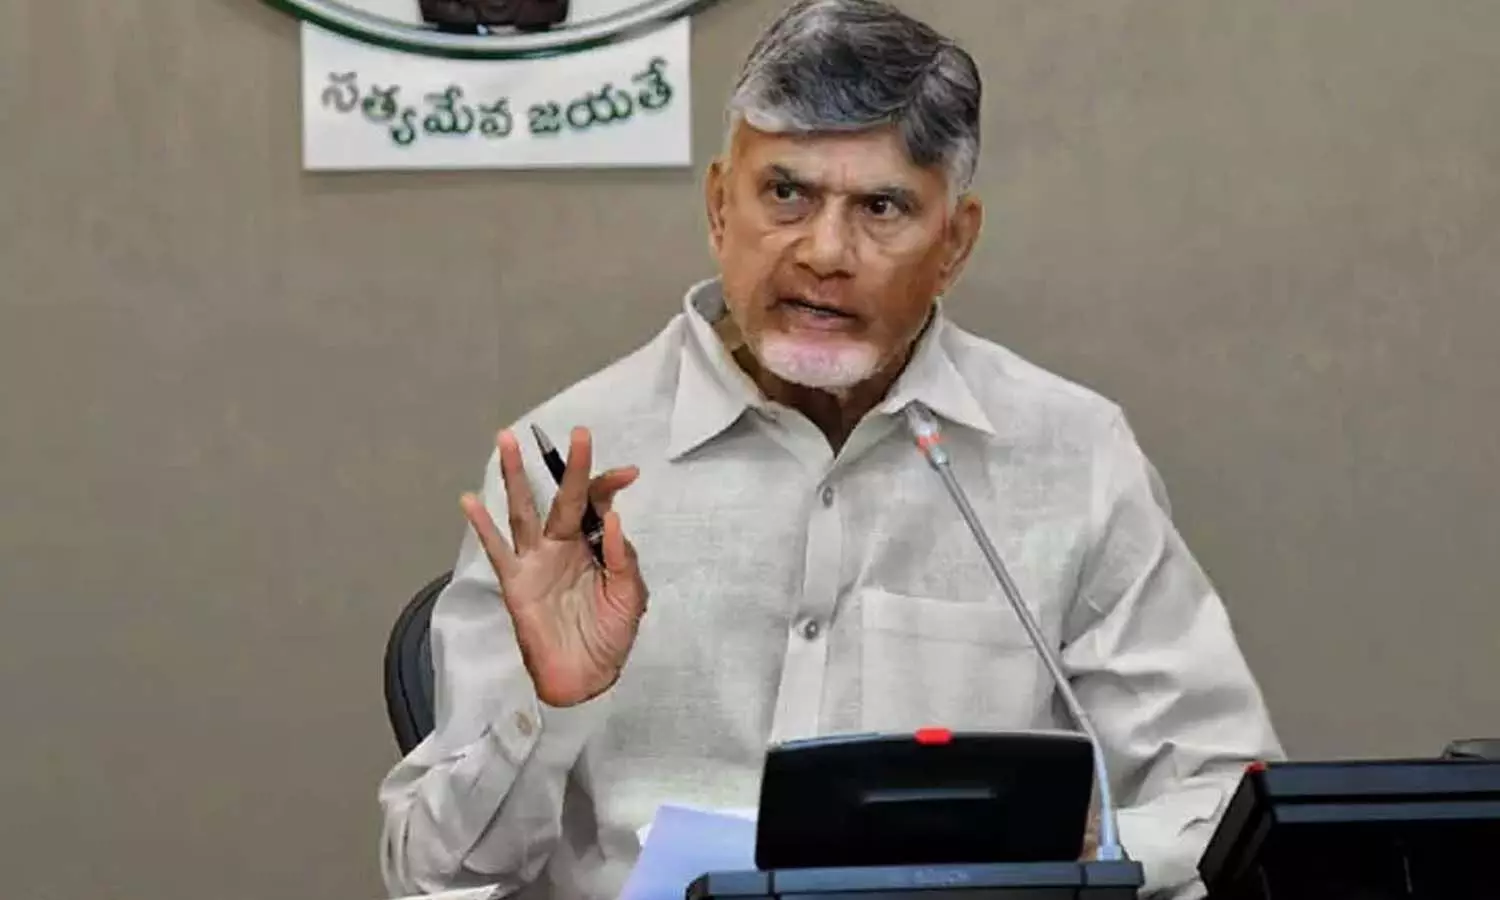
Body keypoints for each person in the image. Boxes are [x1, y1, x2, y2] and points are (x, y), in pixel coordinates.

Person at [378, 1, 1283, 898]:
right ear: (718, 207)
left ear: (955, 242)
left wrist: (1080, 846)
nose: (824, 252)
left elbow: (1220, 797)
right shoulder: (572, 471)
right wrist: (549, 710)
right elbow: (432, 876)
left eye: (881, 207)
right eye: (786, 194)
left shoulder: (1069, 454)